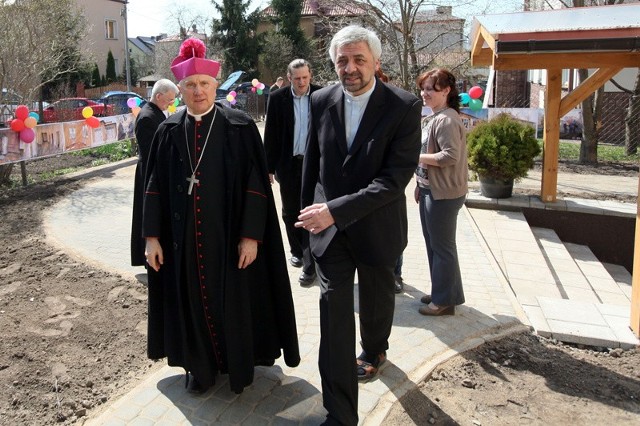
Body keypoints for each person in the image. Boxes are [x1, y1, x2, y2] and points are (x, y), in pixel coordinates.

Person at [142, 37, 300, 395]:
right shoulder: (168, 131)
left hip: (230, 239)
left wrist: (251, 235)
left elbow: (256, 186)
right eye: (190, 85)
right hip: (183, 245)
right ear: (180, 89)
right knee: (192, 303)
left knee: (235, 302)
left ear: (216, 86)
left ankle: (238, 365)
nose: (198, 91)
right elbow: (152, 185)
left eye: (205, 84)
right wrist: (151, 237)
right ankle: (199, 369)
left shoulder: (239, 127)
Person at [296, 25, 421, 425]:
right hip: (330, 234)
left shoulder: (403, 106)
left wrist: (334, 209)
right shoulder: (320, 99)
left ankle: (375, 349)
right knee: (333, 313)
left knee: (376, 302)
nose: (349, 68)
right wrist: (306, 223)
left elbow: (393, 180)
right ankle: (340, 413)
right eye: (342, 61)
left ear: (376, 62)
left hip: (378, 229)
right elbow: (312, 166)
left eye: (358, 60)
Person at [414, 68, 468, 316]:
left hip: (444, 194)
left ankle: (444, 301)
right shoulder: (435, 117)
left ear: (446, 91)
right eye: (423, 88)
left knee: (442, 247)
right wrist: (419, 183)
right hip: (430, 190)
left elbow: (449, 156)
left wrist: (414, 157)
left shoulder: (446, 119)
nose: (425, 94)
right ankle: (442, 292)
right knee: (435, 245)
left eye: (431, 89)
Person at [264, 59, 322, 286]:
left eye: (305, 78)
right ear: (289, 78)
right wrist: (268, 168)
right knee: (290, 210)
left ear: (310, 76)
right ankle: (297, 251)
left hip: (314, 165)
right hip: (288, 164)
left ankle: (313, 254)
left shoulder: (321, 96)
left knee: (311, 208)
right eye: (296, 78)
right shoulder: (278, 99)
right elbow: (271, 134)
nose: (301, 82)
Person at [130, 78, 179, 267]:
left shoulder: (156, 113)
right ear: (158, 96)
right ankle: (147, 257)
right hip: (148, 174)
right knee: (148, 216)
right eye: (169, 99)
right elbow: (151, 150)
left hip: (155, 172)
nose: (171, 103)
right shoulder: (147, 117)